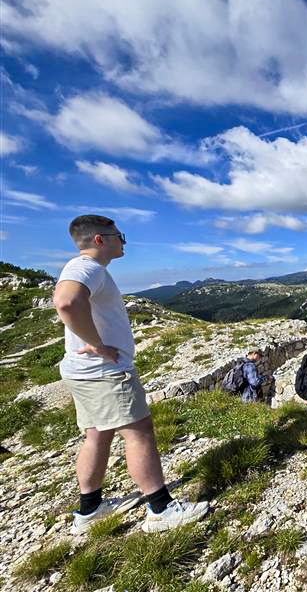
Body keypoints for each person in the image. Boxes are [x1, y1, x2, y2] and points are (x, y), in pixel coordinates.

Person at [54, 215, 208, 534]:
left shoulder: (84, 268)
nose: (122, 241)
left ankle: (90, 509)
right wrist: (98, 345)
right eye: (118, 235)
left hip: (83, 372)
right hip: (104, 372)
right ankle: (161, 509)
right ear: (99, 239)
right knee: (139, 433)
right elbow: (66, 303)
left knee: (97, 434)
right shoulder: (87, 268)